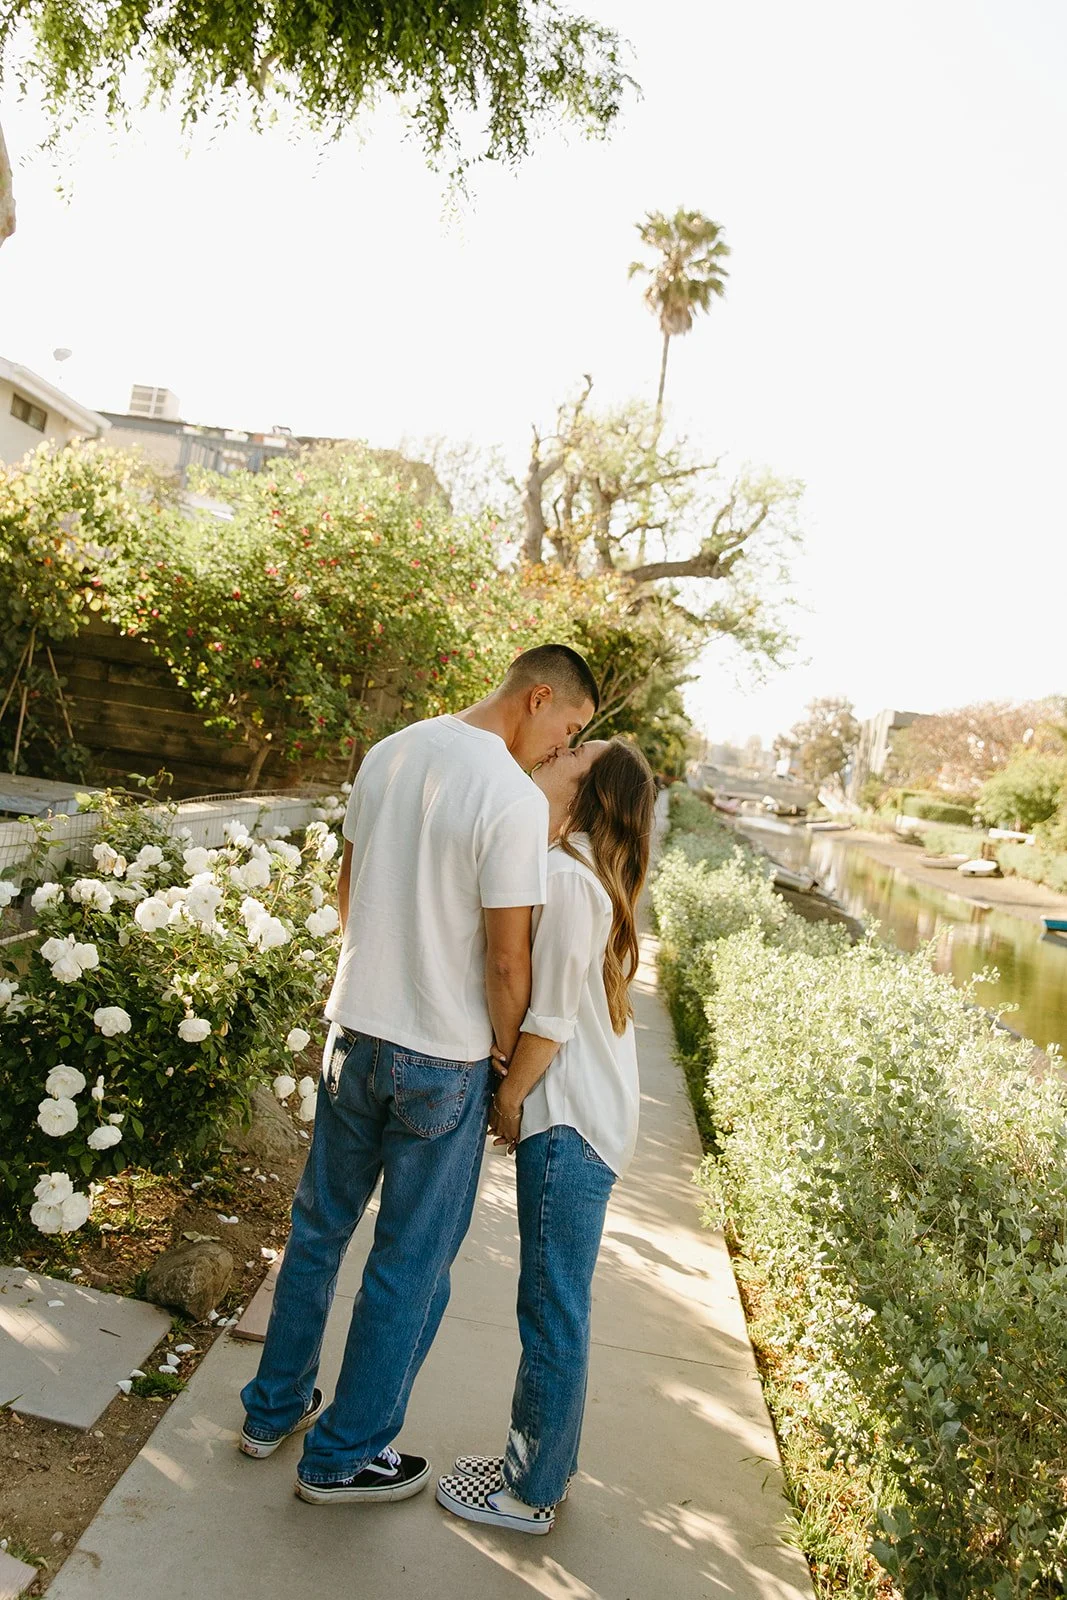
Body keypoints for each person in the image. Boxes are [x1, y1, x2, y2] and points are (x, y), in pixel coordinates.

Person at [238, 644, 599, 1505]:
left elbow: (348, 894)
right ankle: (343, 1456)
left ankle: (269, 1412)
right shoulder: (509, 798)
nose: (562, 749)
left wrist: (378, 977)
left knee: (318, 1233)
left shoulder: (392, 749)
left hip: (351, 1034)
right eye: (570, 728)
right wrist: (507, 1064)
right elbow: (509, 964)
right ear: (539, 696)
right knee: (410, 1263)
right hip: (441, 1057)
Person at [436, 735, 656, 1534]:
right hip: (580, 1123)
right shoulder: (588, 873)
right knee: (556, 1307)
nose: (561, 749)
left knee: (551, 1311)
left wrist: (508, 1099)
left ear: (591, 789)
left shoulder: (570, 879)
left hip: (568, 1127)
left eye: (578, 750)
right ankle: (542, 1463)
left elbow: (551, 1019)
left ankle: (526, 1494)